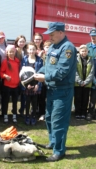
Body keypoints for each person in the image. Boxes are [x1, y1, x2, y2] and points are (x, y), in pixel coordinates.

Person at [34, 22, 77, 162]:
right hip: (52, 89)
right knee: (49, 117)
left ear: (60, 32)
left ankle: (59, 151)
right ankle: (53, 142)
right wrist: (36, 74)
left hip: (63, 90)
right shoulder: (53, 46)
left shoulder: (67, 48)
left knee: (59, 121)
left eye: (52, 34)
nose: (50, 37)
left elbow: (62, 71)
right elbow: (48, 66)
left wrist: (44, 78)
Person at [21, 42, 43, 125]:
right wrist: (26, 85)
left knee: (34, 102)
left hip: (36, 84)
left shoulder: (39, 60)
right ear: (27, 50)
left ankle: (33, 116)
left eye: (33, 49)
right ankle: (27, 116)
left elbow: (41, 73)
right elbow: (22, 73)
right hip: (27, 85)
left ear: (36, 50)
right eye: (30, 49)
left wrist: (38, 85)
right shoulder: (24, 59)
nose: (32, 51)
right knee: (27, 102)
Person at [0, 45, 20, 123]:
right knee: (5, 101)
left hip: (16, 85)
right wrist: (5, 76)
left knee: (15, 101)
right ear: (7, 53)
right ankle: (5, 114)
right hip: (7, 85)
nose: (11, 53)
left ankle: (14, 114)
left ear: (15, 52)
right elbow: (1, 72)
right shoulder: (5, 62)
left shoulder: (17, 61)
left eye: (13, 51)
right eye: (9, 52)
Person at [74, 45, 94, 121]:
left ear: (87, 51)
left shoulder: (90, 59)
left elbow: (92, 72)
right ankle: (77, 113)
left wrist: (85, 82)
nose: (84, 52)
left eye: (85, 51)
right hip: (78, 83)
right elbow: (74, 71)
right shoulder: (76, 59)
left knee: (85, 99)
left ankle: (83, 113)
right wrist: (79, 81)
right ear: (79, 51)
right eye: (82, 51)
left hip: (87, 84)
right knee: (78, 98)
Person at [38, 40, 52, 121]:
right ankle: (42, 113)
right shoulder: (40, 57)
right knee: (41, 98)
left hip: (50, 80)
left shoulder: (53, 57)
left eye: (50, 47)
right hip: (41, 81)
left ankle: (49, 113)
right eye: (47, 47)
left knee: (49, 98)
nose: (48, 49)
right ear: (44, 48)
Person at [14, 35, 27, 116]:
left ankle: (22, 110)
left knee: (24, 94)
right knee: (15, 95)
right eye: (20, 41)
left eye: (23, 41)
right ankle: (14, 111)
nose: (22, 43)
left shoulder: (27, 50)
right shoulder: (14, 50)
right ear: (17, 42)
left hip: (25, 75)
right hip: (16, 74)